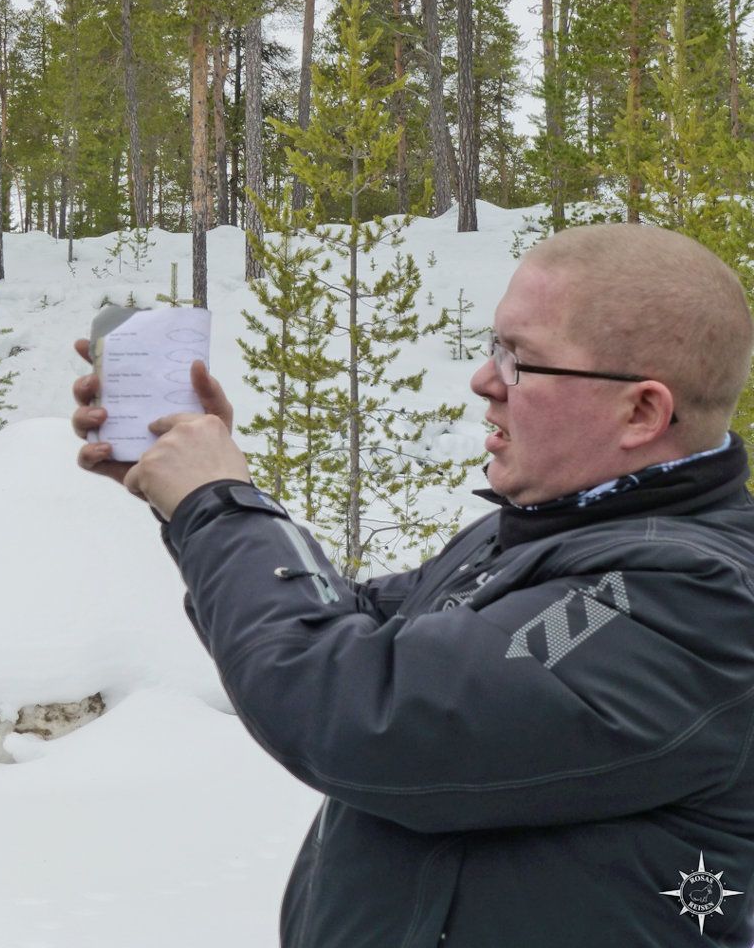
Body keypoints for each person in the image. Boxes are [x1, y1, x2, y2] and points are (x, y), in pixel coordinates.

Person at [72, 223, 754, 947]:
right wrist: (190, 483)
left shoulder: (690, 597)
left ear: (641, 412)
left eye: (521, 361)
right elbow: (344, 621)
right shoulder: (536, 537)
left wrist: (217, 503)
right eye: (494, 348)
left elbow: (357, 707)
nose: (485, 380)